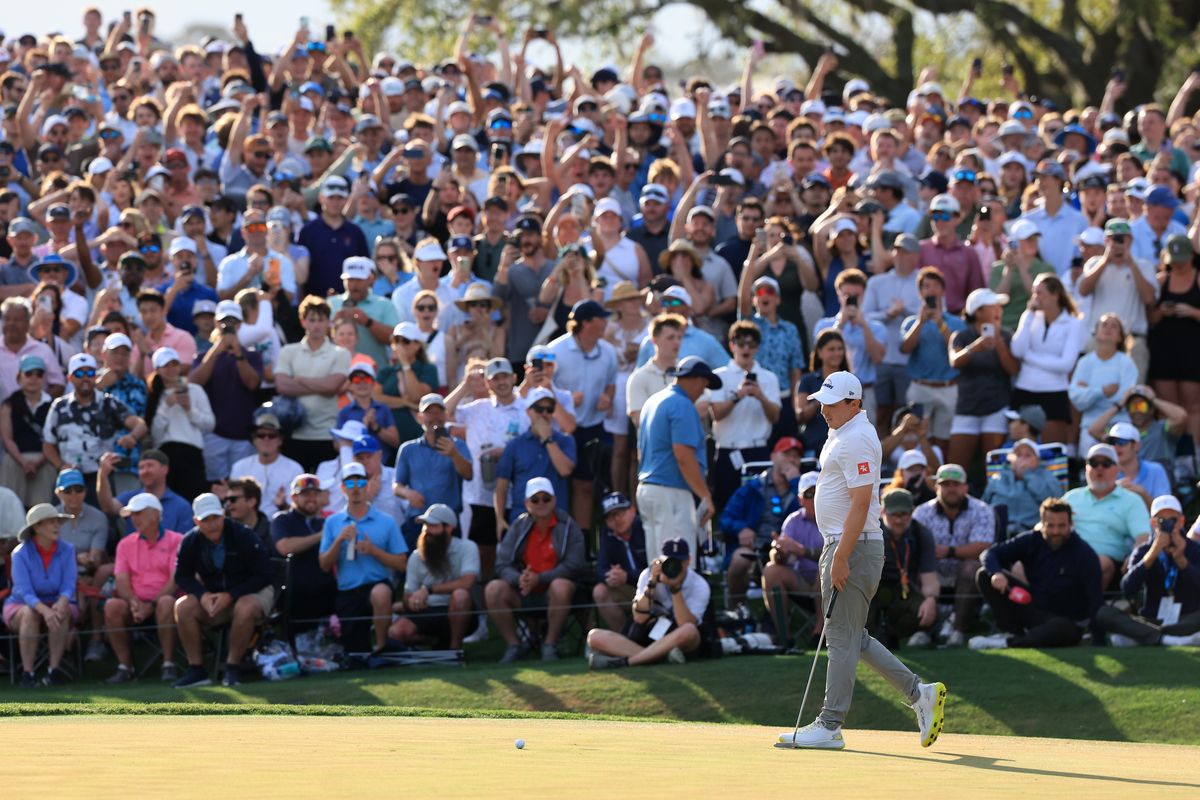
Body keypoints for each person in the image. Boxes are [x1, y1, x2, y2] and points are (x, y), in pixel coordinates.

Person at [778, 371, 944, 750]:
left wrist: (840, 555)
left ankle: (830, 724)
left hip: (852, 546)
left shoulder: (856, 439)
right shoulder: (844, 433)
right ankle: (920, 694)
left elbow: (862, 502)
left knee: (840, 638)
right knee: (854, 636)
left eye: (832, 404)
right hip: (847, 544)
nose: (823, 410)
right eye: (822, 402)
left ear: (854, 403)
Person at [969, 498, 1103, 650]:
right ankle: (1013, 632)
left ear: (1071, 525)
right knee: (984, 575)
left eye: (1061, 526)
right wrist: (996, 573)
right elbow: (990, 553)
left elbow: (1095, 598)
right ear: (1042, 524)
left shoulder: (1084, 553)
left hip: (1067, 621)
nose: (1056, 531)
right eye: (1050, 526)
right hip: (1033, 608)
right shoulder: (1032, 540)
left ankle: (1008, 643)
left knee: (1061, 627)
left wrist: (1099, 640)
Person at [172, 493, 275, 688]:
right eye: (206, 520)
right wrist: (203, 595)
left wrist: (232, 595)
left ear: (223, 514)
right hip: (216, 596)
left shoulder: (243, 534)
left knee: (244, 607)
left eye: (215, 518)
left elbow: (265, 575)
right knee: (183, 606)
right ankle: (197, 670)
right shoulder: (190, 542)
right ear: (196, 521)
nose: (212, 524)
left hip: (254, 590)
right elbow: (182, 577)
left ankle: (232, 667)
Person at [486, 477, 588, 663]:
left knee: (560, 586)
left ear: (554, 500)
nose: (541, 503)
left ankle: (549, 645)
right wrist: (519, 579)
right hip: (523, 591)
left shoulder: (568, 526)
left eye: (546, 498)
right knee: (493, 589)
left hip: (556, 593)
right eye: (535, 500)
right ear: (526, 503)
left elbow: (575, 564)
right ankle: (514, 645)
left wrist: (540, 579)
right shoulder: (518, 525)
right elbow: (501, 564)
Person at [446, 356, 528, 579]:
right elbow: (443, 413)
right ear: (488, 383)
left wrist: (506, 452)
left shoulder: (526, 408)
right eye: (495, 379)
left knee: (519, 550)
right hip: (482, 493)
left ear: (513, 378)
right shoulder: (477, 409)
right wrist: (465, 384)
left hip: (518, 492)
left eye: (504, 377)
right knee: (484, 550)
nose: (501, 383)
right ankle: (486, 604)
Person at [319, 462, 409, 654]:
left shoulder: (386, 521)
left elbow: (402, 563)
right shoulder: (332, 522)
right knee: (355, 654)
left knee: (381, 593)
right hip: (348, 592)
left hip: (377, 585)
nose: (356, 489)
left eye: (360, 483)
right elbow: (325, 565)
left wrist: (373, 551)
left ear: (367, 485)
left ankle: (383, 647)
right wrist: (339, 541)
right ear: (343, 488)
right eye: (350, 484)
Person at [636, 356, 718, 559]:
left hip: (648, 490)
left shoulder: (653, 401)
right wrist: (705, 495)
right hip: (671, 493)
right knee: (677, 566)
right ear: (698, 380)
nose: (702, 392)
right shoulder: (682, 404)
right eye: (704, 385)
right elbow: (683, 455)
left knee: (656, 565)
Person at [586, 536, 711, 669]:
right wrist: (652, 583)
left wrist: (675, 589)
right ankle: (660, 658)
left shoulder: (700, 585)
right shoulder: (648, 575)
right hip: (647, 636)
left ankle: (628, 661)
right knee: (594, 637)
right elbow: (640, 618)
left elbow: (685, 624)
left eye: (679, 561)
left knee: (689, 630)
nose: (674, 566)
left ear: (688, 561)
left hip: (678, 641)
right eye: (670, 562)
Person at [547, 300, 618, 530]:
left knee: (586, 486)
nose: (606, 323)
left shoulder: (608, 352)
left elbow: (611, 384)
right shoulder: (555, 351)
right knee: (557, 485)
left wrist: (607, 397)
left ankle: (583, 541)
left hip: (593, 428)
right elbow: (541, 388)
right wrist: (565, 398)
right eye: (601, 318)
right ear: (586, 323)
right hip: (559, 430)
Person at [42, 353, 148, 505]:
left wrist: (132, 437)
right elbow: (48, 445)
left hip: (100, 477)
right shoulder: (59, 407)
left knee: (106, 523)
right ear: (70, 378)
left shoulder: (108, 403)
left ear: (96, 376)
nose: (85, 378)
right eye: (79, 373)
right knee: (62, 523)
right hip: (70, 478)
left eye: (90, 372)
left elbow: (140, 424)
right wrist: (60, 465)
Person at [1095, 495, 1200, 647]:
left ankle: (1144, 637)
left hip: (1186, 617)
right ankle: (1167, 639)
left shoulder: (1194, 549)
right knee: (1104, 613)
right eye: (1161, 521)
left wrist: (1182, 560)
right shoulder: (1143, 551)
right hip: (1152, 618)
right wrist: (1152, 554)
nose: (1168, 526)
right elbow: (1128, 588)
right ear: (1153, 523)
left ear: (1182, 521)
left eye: (1173, 520)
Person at [103, 493, 184, 684]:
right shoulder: (125, 544)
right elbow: (121, 579)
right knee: (112, 606)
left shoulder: (176, 540)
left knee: (166, 603)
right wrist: (135, 602)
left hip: (164, 601)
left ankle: (169, 664)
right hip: (135, 604)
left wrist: (151, 604)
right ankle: (125, 667)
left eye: (139, 513)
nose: (134, 519)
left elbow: (175, 579)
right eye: (132, 514)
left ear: (155, 515)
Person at [911, 464, 995, 646]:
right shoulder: (921, 512)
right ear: (936, 487)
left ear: (965, 487)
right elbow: (914, 545)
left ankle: (957, 630)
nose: (951, 489)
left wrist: (949, 551)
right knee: (914, 567)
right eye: (946, 484)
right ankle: (923, 628)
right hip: (931, 570)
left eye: (956, 484)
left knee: (971, 567)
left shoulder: (982, 509)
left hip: (965, 573)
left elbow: (983, 546)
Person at [720, 438, 803, 604]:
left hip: (790, 550)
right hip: (755, 548)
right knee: (739, 561)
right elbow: (725, 519)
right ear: (773, 457)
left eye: (796, 456)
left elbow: (809, 514)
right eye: (786, 454)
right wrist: (741, 528)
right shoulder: (752, 488)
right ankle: (737, 611)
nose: (792, 459)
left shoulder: (803, 489)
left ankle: (775, 620)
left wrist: (796, 483)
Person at [3, 504, 79, 687]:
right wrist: (44, 610)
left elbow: (69, 584)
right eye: (51, 522)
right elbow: (24, 591)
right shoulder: (19, 554)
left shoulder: (68, 549)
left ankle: (53, 672)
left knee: (62, 613)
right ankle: (28, 674)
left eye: (58, 522)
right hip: (21, 605)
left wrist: (61, 602)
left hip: (58, 602)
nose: (57, 526)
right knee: (31, 615)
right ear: (37, 527)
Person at [274, 295, 352, 472]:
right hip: (293, 434)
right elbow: (282, 386)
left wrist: (300, 380)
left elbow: (332, 387)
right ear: (303, 322)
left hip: (325, 434)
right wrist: (321, 386)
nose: (316, 325)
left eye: (321, 320)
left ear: (328, 323)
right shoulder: (288, 351)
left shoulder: (340, 353)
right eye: (312, 320)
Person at [188, 301, 263, 483]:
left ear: (239, 325)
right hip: (214, 435)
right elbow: (194, 382)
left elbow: (253, 384)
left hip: (243, 436)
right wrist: (216, 350)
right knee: (215, 486)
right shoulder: (203, 356)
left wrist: (238, 354)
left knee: (241, 486)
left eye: (233, 322)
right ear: (216, 324)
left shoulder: (251, 355)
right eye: (224, 322)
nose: (229, 327)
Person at [709, 320, 782, 509]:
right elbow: (716, 414)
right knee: (727, 506)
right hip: (728, 450)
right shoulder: (719, 376)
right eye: (741, 343)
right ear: (732, 345)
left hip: (757, 450)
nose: (746, 348)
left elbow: (775, 417)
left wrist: (760, 397)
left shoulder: (768, 377)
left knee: (761, 507)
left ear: (757, 348)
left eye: (751, 344)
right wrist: (738, 396)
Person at [388, 504, 480, 650]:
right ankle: (436, 643)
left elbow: (468, 582)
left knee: (461, 595)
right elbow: (408, 594)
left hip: (458, 610)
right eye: (425, 525)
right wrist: (412, 601)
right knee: (396, 632)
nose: (427, 530)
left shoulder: (467, 547)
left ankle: (454, 650)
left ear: (449, 528)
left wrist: (428, 590)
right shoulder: (416, 557)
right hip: (426, 611)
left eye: (433, 526)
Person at [1009, 274, 1087, 445]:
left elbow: (1066, 364)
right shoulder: (1029, 317)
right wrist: (1028, 315)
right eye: (1034, 293)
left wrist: (1030, 358)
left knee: (1052, 451)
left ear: (1055, 294)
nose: (1035, 298)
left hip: (1055, 392)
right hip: (1024, 389)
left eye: (1040, 293)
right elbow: (1017, 350)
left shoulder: (1074, 324)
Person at [947, 288, 1019, 470]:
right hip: (967, 408)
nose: (998, 311)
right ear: (977, 311)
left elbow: (1012, 369)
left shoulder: (1006, 335)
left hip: (997, 407)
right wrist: (975, 347)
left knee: (995, 468)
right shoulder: (961, 336)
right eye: (993, 306)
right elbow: (955, 361)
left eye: (999, 307)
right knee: (956, 468)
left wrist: (999, 343)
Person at [1064, 443, 1152, 589]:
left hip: (1107, 563)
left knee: (1100, 563)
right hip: (1066, 556)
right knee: (1019, 566)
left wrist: (1134, 556)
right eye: (1093, 463)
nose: (1099, 468)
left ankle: (1085, 609)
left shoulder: (1131, 500)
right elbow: (1047, 525)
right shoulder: (1071, 497)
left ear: (1117, 469)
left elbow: (1143, 536)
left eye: (1106, 464)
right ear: (1086, 468)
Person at [1077, 218, 1156, 380]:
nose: (1119, 242)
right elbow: (1083, 290)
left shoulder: (1143, 265)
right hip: (1100, 340)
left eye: (1123, 238)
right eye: (1114, 238)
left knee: (1133, 395)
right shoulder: (1095, 263)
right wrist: (1106, 259)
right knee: (1094, 389)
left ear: (1131, 240)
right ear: (1106, 240)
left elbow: (1149, 298)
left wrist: (1131, 263)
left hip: (1132, 341)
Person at [393, 393, 473, 549]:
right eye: (430, 412)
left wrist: (454, 454)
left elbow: (469, 474)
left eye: (439, 412)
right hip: (418, 521)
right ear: (420, 417)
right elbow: (396, 485)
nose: (435, 417)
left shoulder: (458, 446)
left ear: (446, 415)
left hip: (448, 522)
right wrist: (408, 494)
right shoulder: (408, 449)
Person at [900, 267, 967, 452]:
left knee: (944, 441)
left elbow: (957, 349)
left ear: (943, 291)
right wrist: (921, 322)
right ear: (920, 292)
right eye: (926, 286)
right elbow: (905, 348)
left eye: (936, 286)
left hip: (948, 387)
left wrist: (940, 323)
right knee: (917, 441)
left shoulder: (955, 322)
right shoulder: (911, 323)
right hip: (920, 388)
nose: (931, 290)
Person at [862, 233, 922, 437]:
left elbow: (933, 314)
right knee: (881, 412)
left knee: (904, 411)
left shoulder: (924, 281)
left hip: (911, 360)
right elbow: (865, 316)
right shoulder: (877, 283)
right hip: (882, 359)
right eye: (897, 251)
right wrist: (888, 314)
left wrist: (905, 312)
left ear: (915, 256)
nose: (900, 256)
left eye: (905, 252)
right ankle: (879, 456)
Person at [867, 488, 939, 649]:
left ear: (912, 511)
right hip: (871, 589)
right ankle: (869, 635)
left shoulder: (921, 534)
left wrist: (931, 599)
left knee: (927, 610)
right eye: (894, 515)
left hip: (905, 590)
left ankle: (894, 633)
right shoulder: (869, 533)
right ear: (882, 511)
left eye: (904, 515)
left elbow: (929, 577)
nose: (899, 520)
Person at [1147, 235, 1200, 446]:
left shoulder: (1198, 278)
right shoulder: (1161, 281)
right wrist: (1161, 311)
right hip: (1164, 350)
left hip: (1192, 349)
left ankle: (1194, 455)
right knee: (1167, 405)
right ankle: (1171, 452)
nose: (1177, 265)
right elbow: (1150, 319)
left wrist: (1193, 312)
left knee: (1193, 405)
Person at [762, 472, 825, 648]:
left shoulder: (836, 518)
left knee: (826, 566)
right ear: (800, 499)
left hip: (835, 585)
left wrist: (802, 551)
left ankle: (819, 635)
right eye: (809, 494)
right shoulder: (793, 521)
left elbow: (839, 555)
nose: (814, 499)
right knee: (771, 570)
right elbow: (780, 557)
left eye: (818, 492)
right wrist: (779, 551)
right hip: (803, 584)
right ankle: (785, 638)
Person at [1069, 313, 1139, 455]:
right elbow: (1076, 399)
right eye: (1104, 325)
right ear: (1096, 332)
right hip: (1088, 429)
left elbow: (1124, 397)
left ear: (1120, 337)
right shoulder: (1085, 363)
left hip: (1120, 428)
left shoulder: (1127, 363)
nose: (1108, 329)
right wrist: (1102, 391)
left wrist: (1088, 391)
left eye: (1114, 326)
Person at [97, 449, 194, 534]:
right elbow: (109, 507)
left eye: (150, 465)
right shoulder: (132, 499)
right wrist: (103, 475)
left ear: (165, 469)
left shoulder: (182, 506)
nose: (145, 471)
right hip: (132, 553)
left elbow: (183, 546)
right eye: (141, 467)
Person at [0, 354, 54, 506]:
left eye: (39, 374)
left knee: (42, 511)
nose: (33, 378)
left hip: (44, 462)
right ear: (19, 377)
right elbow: (7, 438)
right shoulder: (9, 404)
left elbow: (53, 438)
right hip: (15, 461)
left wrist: (38, 462)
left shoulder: (53, 405)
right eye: (28, 373)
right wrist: (23, 462)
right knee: (11, 508)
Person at [592, 492, 649, 633]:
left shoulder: (646, 527)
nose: (616, 519)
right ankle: (626, 638)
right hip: (630, 591)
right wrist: (611, 576)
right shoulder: (608, 535)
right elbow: (600, 569)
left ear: (632, 510)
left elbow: (655, 569)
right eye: (611, 516)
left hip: (654, 591)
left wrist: (627, 576)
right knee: (600, 591)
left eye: (620, 513)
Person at [982, 438, 1063, 536]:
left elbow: (1055, 503)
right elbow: (983, 505)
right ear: (1011, 459)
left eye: (1028, 455)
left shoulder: (1047, 477)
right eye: (1018, 455)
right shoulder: (997, 478)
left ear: (1037, 460)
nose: (1022, 459)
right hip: (998, 531)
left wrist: (1027, 475)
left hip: (1032, 532)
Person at [231, 413, 304, 518]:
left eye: (272, 436)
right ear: (254, 440)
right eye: (261, 435)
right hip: (245, 525)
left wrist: (283, 505)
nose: (266, 439)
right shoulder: (239, 467)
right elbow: (234, 505)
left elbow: (299, 510)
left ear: (280, 440)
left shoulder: (294, 469)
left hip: (279, 524)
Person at [625, 313, 683, 427]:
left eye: (679, 337)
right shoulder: (638, 378)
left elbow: (703, 409)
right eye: (670, 337)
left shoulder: (690, 373)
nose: (677, 342)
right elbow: (640, 420)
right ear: (654, 340)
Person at [1106, 420, 1171, 508]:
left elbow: (1165, 512)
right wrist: (1113, 491)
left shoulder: (1156, 470)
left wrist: (1143, 494)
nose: (1116, 447)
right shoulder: (1103, 470)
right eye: (1112, 442)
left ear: (1136, 445)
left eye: (1122, 442)